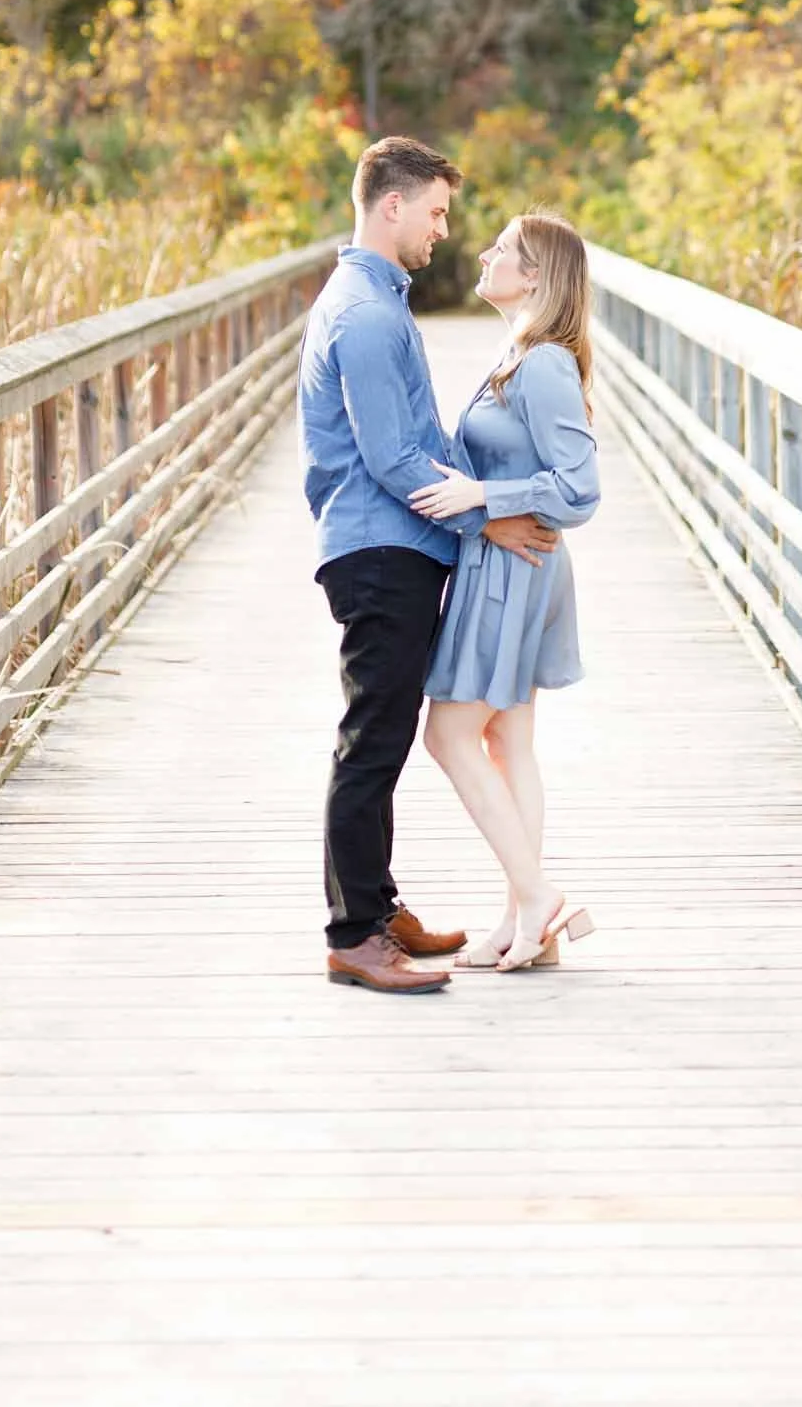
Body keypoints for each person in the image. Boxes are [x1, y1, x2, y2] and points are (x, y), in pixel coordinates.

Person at [298, 137, 557, 995]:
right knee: (372, 739)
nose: (444, 230)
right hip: (379, 548)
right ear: (391, 205)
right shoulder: (368, 315)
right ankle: (354, 936)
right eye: (437, 212)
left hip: (392, 545)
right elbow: (391, 459)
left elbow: (424, 441)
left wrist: (486, 504)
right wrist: (490, 517)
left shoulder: (375, 301)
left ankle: (377, 906)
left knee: (384, 733)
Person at [412, 211, 599, 972]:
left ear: (535, 278)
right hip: (511, 567)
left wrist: (482, 497)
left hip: (510, 577)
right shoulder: (517, 350)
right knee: (505, 739)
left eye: (504, 251)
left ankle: (538, 896)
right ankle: (521, 925)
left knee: (449, 736)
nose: (485, 255)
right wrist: (487, 503)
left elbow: (579, 490)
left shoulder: (544, 362)